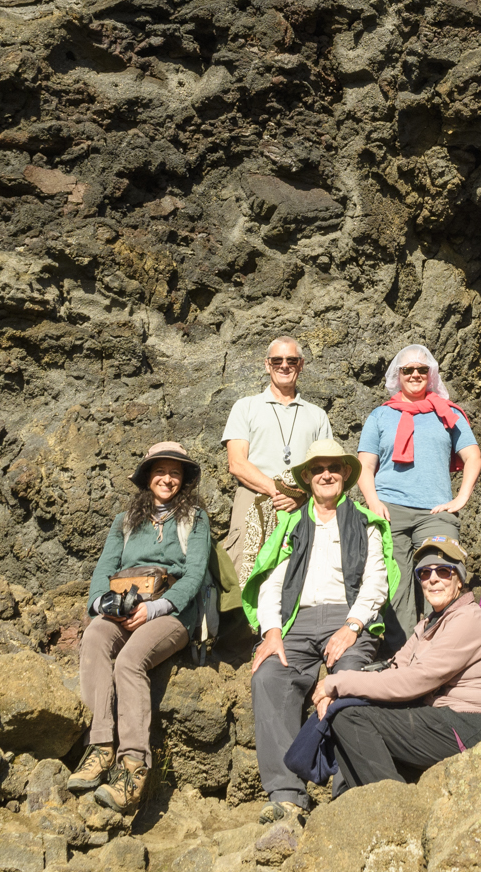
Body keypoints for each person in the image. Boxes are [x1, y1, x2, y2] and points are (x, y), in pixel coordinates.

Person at [242, 440, 397, 825]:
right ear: (308, 477)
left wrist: (352, 626)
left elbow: (377, 581)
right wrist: (272, 631)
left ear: (345, 474)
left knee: (348, 680)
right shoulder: (292, 524)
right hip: (297, 622)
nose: (326, 474)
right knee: (269, 676)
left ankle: (346, 790)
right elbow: (271, 584)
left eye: (334, 467)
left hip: (349, 617)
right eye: (318, 468)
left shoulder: (366, 522)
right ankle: (287, 794)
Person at [71, 442, 214, 811]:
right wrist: (104, 603)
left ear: (183, 480)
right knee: (96, 635)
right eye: (160, 471)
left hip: (172, 615)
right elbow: (105, 568)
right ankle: (101, 746)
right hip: (125, 609)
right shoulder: (125, 520)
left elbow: (195, 573)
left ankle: (133, 766)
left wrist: (156, 610)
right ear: (148, 477)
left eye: (175, 473)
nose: (167, 478)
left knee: (129, 661)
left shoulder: (195, 519)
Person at [311, 536, 481, 789]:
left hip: (466, 725)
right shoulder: (427, 625)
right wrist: (341, 691)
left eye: (444, 571)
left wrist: (337, 683)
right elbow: (395, 667)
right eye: (425, 573)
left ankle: (391, 805)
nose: (433, 579)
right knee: (346, 712)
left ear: (460, 580)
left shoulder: (468, 619)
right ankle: (360, 799)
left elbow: (415, 680)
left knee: (350, 717)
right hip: (434, 717)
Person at [356, 344, 481, 641]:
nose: (415, 374)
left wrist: (461, 498)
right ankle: (398, 655)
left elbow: (473, 457)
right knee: (394, 584)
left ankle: (438, 649)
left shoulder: (449, 414)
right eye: (407, 370)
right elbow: (364, 465)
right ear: (397, 376)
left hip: (435, 511)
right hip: (389, 508)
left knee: (441, 575)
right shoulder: (380, 415)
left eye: (422, 369)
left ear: (431, 374)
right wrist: (373, 502)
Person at [223, 335, 336, 580]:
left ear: (301, 365)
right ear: (267, 365)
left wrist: (301, 495)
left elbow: (328, 469)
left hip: (303, 504)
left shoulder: (317, 416)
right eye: (277, 360)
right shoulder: (246, 407)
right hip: (253, 499)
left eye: (291, 360)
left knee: (300, 573)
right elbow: (237, 463)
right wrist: (279, 491)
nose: (284, 366)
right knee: (244, 571)